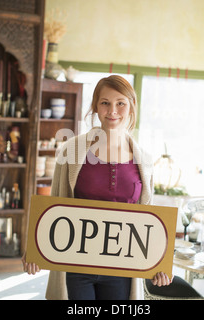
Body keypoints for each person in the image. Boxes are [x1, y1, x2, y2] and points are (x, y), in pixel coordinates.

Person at [22, 75, 173, 300]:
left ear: (131, 107)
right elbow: (54, 205)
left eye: (120, 103)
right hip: (77, 265)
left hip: (123, 269)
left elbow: (148, 220)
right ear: (95, 106)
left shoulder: (145, 161)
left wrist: (157, 265)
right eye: (105, 103)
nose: (113, 110)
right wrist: (36, 248)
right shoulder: (71, 150)